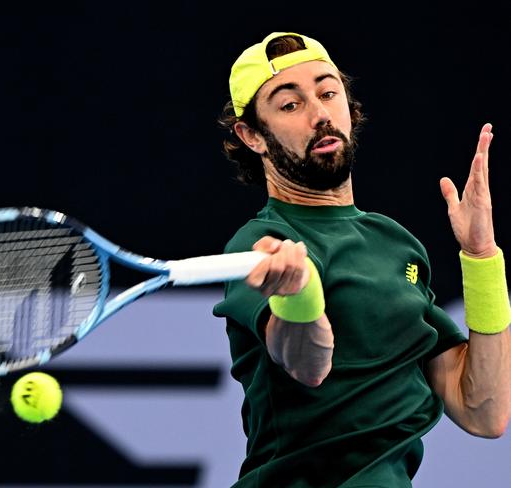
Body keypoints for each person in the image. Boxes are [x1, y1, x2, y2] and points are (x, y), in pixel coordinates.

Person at [213, 32, 511, 487]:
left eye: (328, 93)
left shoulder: (395, 244)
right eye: (289, 105)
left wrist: (482, 258)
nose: (319, 114)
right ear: (252, 136)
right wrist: (297, 296)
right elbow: (307, 366)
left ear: (349, 109)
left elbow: (483, 412)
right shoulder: (260, 244)